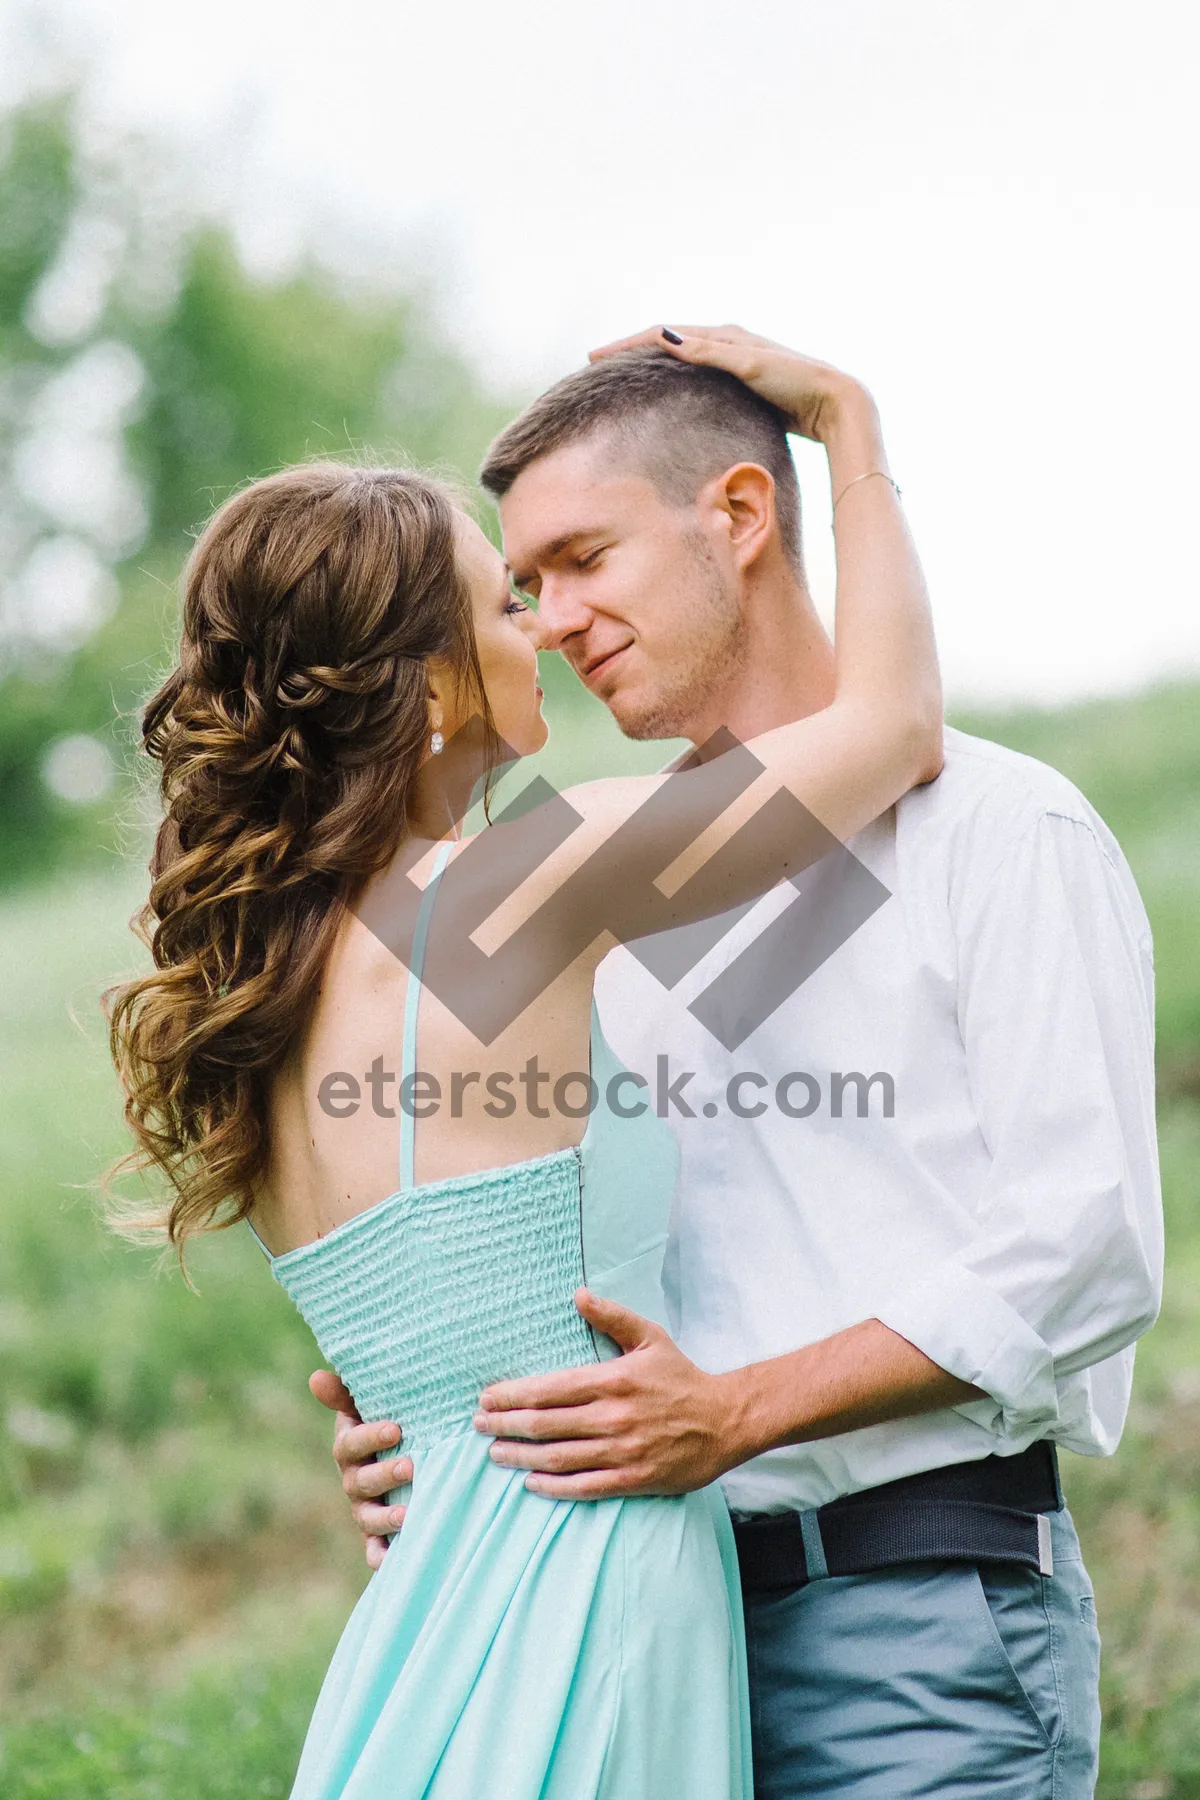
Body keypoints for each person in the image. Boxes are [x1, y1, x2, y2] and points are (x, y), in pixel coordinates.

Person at [325, 325, 1163, 1799]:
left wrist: (742, 1412)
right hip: (646, 1641)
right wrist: (429, 1421)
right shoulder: (596, 895)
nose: (556, 618)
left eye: (585, 558)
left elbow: (1086, 1246)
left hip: (920, 1631)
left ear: (740, 514)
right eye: (525, 589)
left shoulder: (998, 830)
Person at [105, 331, 944, 1799]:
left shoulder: (266, 999)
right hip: (588, 1592)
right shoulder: (509, 893)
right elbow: (892, 730)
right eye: (506, 602)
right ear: (430, 688)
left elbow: (423, 1375)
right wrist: (850, 431)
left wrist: (398, 1442)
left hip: (419, 1621)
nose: (547, 629)